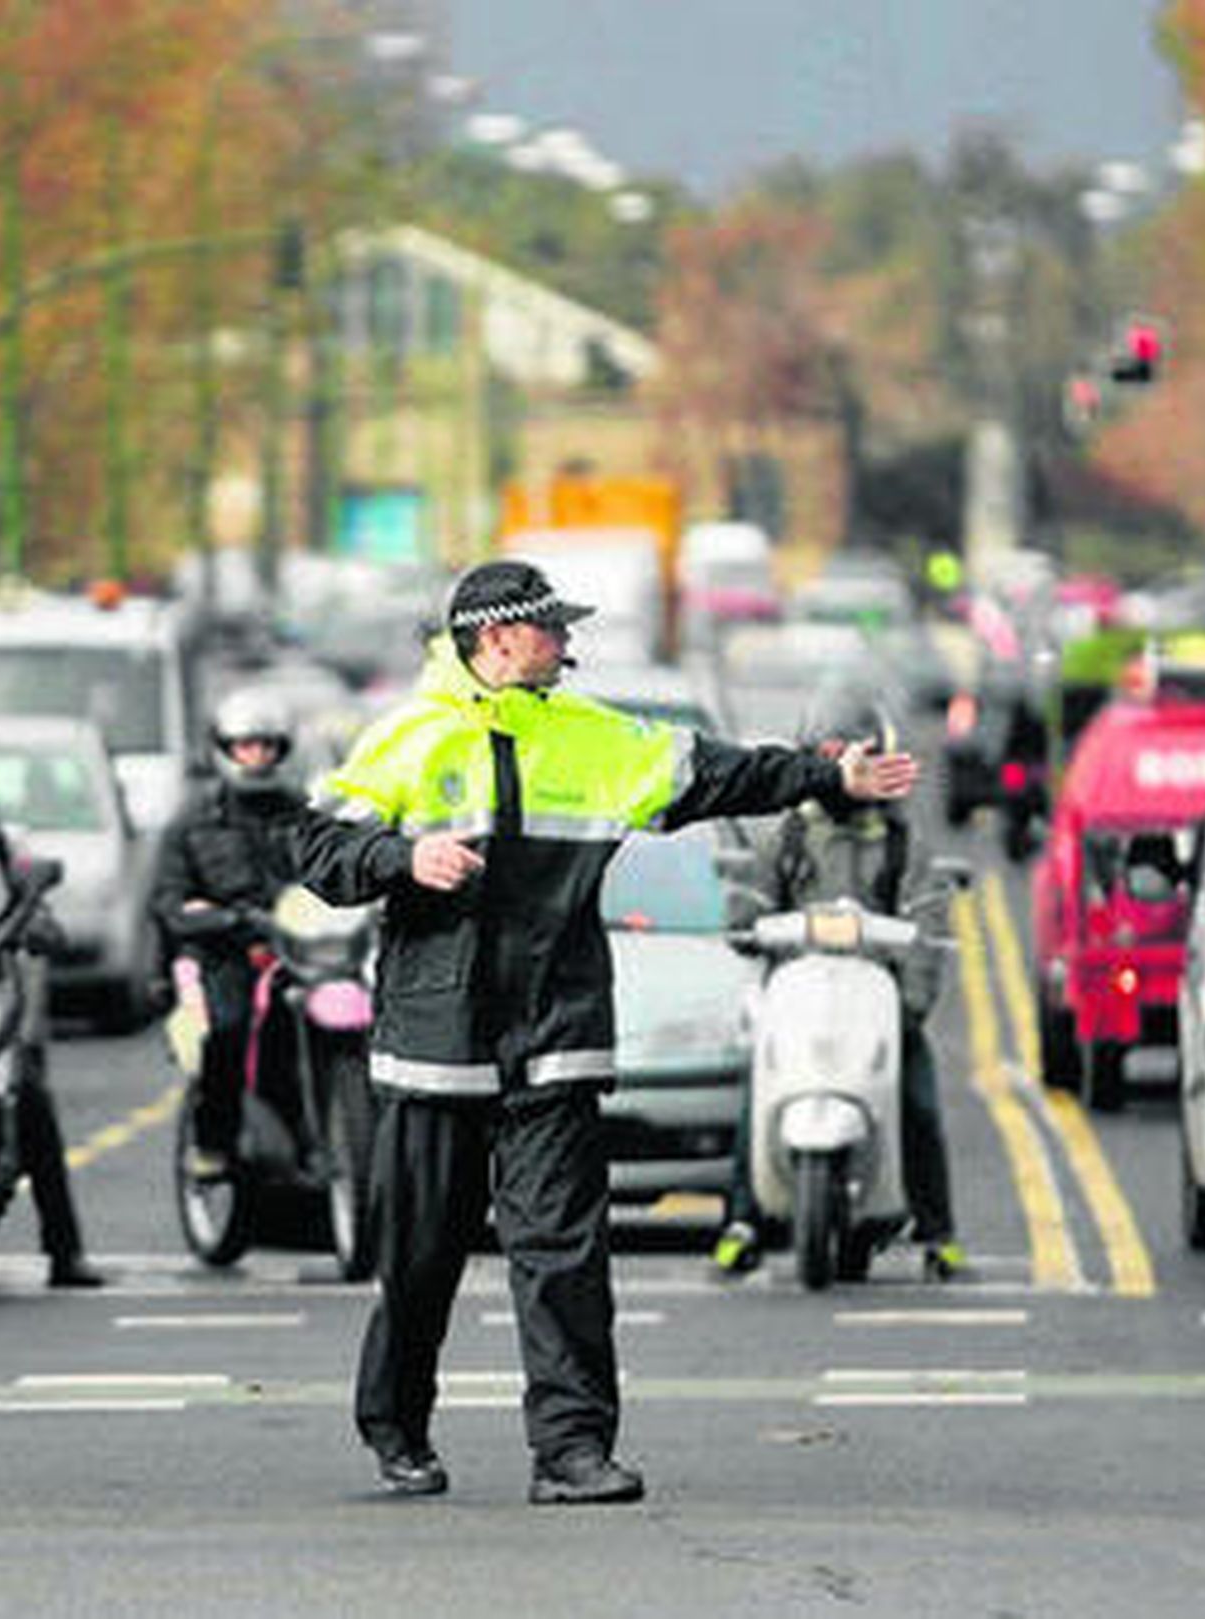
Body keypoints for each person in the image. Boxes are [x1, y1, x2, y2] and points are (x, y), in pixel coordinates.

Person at [290, 559, 918, 1505]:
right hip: (436, 1042)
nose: (566, 644)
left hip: (556, 1033)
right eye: (549, 629)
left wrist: (825, 773)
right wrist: (403, 855)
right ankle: (397, 1427)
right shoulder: (410, 738)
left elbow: (716, 771)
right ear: (494, 639)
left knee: (563, 1253)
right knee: (420, 1256)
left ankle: (572, 1451)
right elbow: (319, 851)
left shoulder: (593, 736)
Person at [712, 684, 966, 1282]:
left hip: (879, 1005)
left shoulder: (904, 844)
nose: (849, 773)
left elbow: (929, 922)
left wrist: (911, 1005)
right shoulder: (787, 836)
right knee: (757, 1093)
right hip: (798, 1005)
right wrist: (750, 927)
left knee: (919, 1100)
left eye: (862, 758)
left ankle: (938, 1231)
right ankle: (742, 1219)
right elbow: (744, 912)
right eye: (833, 759)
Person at [152, 686, 305, 1180]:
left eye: (266, 745)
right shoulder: (192, 821)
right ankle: (213, 1143)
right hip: (225, 956)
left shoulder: (306, 812)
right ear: (225, 749)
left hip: (303, 953)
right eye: (245, 745)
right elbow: (171, 904)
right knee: (228, 1031)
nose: (256, 756)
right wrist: (228, 920)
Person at [0, 819, 104, 1288]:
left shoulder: (3, 844)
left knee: (34, 1106)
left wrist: (32, 925)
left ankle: (65, 1251)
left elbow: (41, 921)